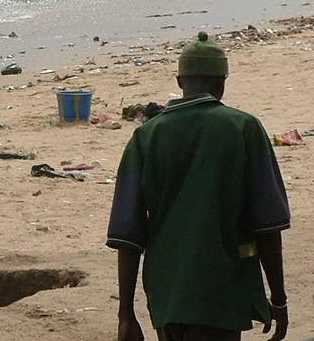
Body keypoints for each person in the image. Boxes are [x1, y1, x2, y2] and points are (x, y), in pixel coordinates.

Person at [107, 31, 290, 341]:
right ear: (221, 83)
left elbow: (127, 235)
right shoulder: (244, 128)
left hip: (167, 294)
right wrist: (278, 299)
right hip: (223, 291)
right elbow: (268, 225)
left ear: (180, 81)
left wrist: (126, 315)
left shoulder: (146, 137)